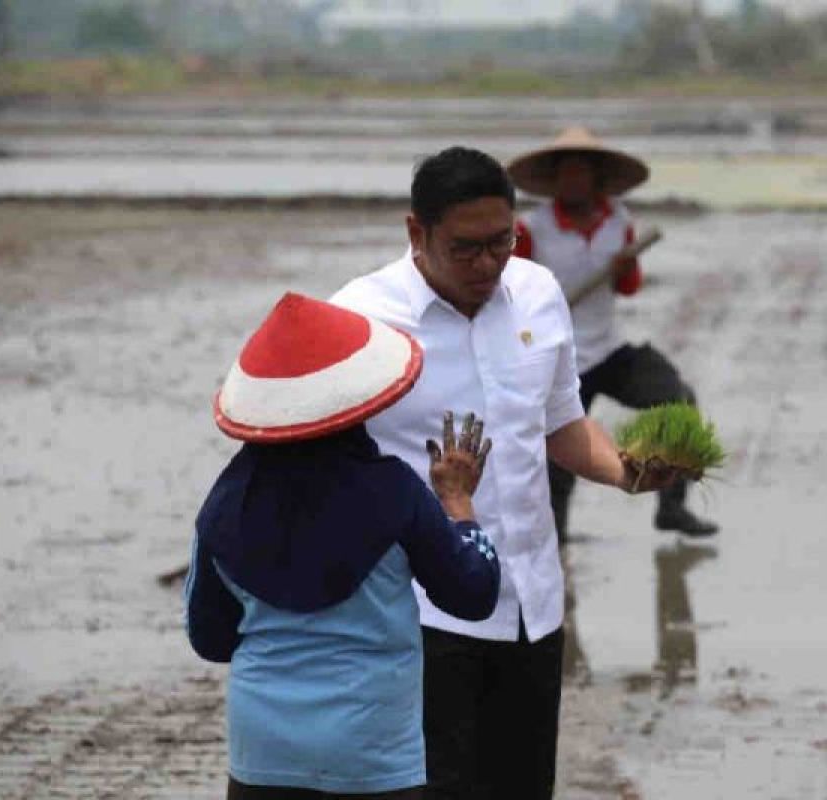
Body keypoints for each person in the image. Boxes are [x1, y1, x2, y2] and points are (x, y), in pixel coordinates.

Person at [331, 146, 681, 800]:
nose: (489, 264)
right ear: (417, 232)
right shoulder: (362, 320)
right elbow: (321, 467)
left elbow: (562, 423)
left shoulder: (537, 293)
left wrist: (624, 471)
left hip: (532, 606)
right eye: (466, 249)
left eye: (502, 242)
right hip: (420, 618)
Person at [185, 291, 501, 799]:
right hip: (372, 754)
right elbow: (474, 593)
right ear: (355, 407)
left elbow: (209, 639)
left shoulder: (222, 507)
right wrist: (459, 504)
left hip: (263, 756)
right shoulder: (395, 492)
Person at [507, 126, 719, 540]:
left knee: (678, 400)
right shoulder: (533, 229)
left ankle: (671, 508)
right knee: (558, 459)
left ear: (596, 179)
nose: (573, 181)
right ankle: (556, 543)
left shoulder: (617, 221)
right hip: (558, 356)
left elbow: (627, 287)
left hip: (608, 348)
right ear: (553, 181)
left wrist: (625, 268)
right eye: (565, 173)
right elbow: (513, 292)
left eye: (580, 173)